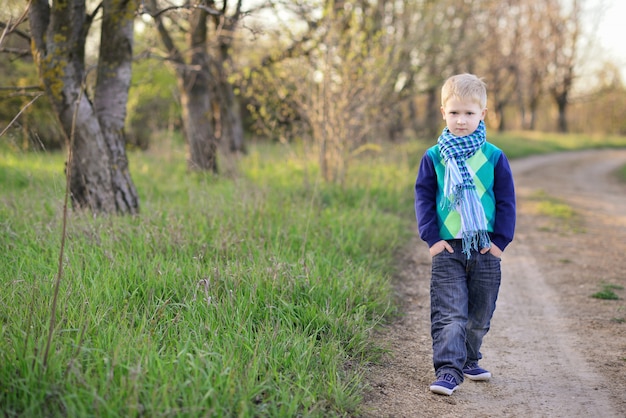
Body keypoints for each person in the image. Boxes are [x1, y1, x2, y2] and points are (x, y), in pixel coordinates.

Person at [414, 73, 516, 396]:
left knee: (479, 313)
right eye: (455, 112)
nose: (461, 120)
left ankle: (470, 357)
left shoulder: (494, 157)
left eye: (469, 113)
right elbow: (423, 197)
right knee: (450, 313)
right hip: (447, 248)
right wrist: (432, 239)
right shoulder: (434, 157)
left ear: (483, 114)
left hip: (485, 248)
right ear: (443, 113)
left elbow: (506, 201)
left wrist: (500, 243)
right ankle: (448, 369)